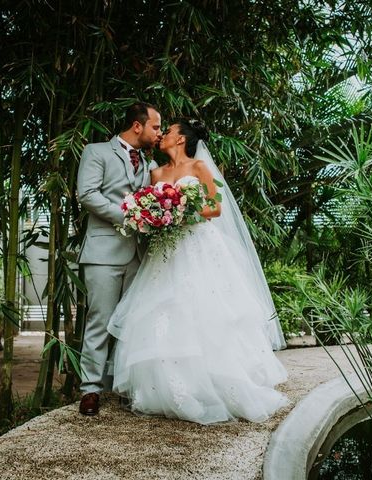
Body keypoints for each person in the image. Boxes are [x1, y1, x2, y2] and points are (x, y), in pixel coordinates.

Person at [107, 119, 289, 425]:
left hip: (200, 246)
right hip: (167, 250)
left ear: (180, 140)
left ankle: (217, 383)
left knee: (207, 311)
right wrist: (157, 214)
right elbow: (150, 207)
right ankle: (169, 389)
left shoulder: (199, 167)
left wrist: (179, 209)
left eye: (169, 131)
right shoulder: (156, 172)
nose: (162, 135)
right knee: (165, 312)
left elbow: (215, 207)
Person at [76, 102, 162, 416]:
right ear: (137, 126)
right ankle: (90, 390)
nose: (159, 133)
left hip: (138, 254)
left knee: (132, 324)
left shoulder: (149, 162)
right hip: (103, 253)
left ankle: (126, 386)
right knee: (100, 321)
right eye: (155, 126)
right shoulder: (96, 151)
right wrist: (129, 216)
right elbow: (87, 194)